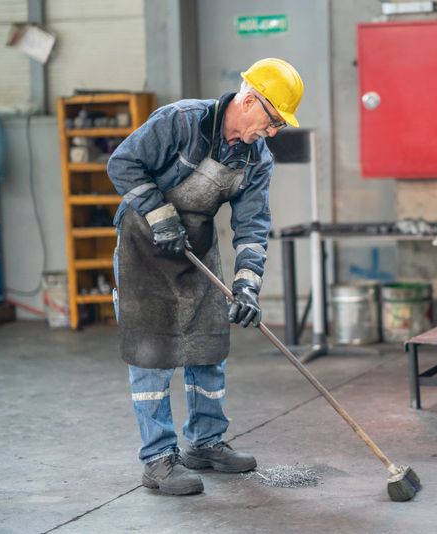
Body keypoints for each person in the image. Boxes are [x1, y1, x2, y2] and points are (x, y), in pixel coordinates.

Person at [107, 58, 303, 496]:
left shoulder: (257, 159)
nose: (271, 133)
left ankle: (205, 442)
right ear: (250, 101)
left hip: (196, 247)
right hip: (143, 246)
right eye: (272, 121)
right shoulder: (180, 122)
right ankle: (158, 459)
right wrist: (160, 216)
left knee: (209, 347)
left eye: (278, 127)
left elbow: (253, 224)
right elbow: (122, 163)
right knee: (151, 354)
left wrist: (247, 284)